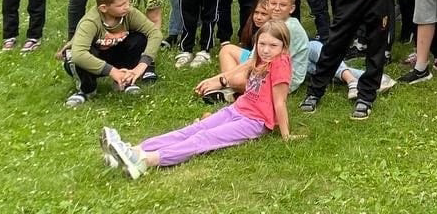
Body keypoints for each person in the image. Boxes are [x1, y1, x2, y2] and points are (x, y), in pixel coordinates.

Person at [100, 19, 294, 179]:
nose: (266, 50)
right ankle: (132, 150)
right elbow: (244, 66)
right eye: (262, 44)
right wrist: (215, 79)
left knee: (205, 138)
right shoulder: (260, 58)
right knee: (193, 129)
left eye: (273, 46)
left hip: (254, 121)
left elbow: (279, 102)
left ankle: (145, 160)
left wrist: (286, 135)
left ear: (283, 47)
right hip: (237, 109)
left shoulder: (280, 65)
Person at [64, 0, 163, 108]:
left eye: (128, 2)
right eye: (121, 5)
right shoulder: (90, 22)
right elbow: (78, 54)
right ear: (104, 8)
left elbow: (155, 33)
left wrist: (142, 65)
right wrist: (112, 71)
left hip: (116, 55)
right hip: (95, 58)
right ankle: (86, 89)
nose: (127, 7)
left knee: (139, 38)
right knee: (73, 57)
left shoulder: (130, 13)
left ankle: (125, 80)